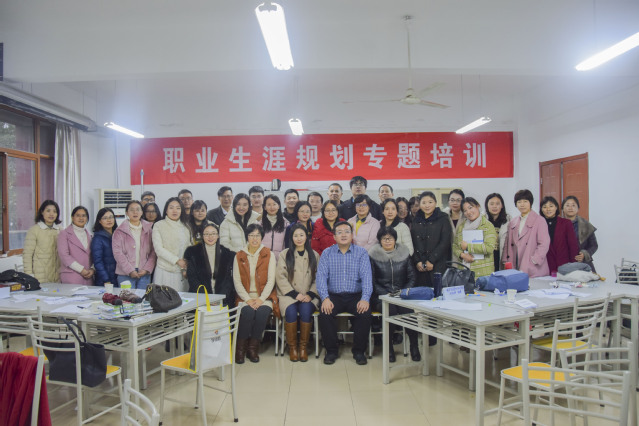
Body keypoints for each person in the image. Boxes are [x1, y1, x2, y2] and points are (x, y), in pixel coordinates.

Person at [316, 221, 372, 366]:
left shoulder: (361, 252)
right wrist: (325, 298)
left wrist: (365, 298)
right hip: (333, 296)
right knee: (325, 313)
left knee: (365, 313)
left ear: (352, 235)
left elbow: (367, 277)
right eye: (339, 232)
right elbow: (321, 277)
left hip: (355, 295)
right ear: (334, 236)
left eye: (347, 231)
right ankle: (331, 351)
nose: (343, 235)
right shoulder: (327, 253)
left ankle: (359, 351)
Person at [368, 227, 420, 362]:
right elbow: (372, 281)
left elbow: (412, 277)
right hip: (381, 297)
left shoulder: (404, 254)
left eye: (390, 238)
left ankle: (414, 346)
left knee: (408, 312)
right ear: (380, 241)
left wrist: (402, 293)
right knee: (390, 311)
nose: (387, 241)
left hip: (401, 295)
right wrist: (386, 295)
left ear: (395, 239)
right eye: (384, 238)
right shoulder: (373, 255)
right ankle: (389, 347)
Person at [233, 224, 278, 364]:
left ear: (262, 237)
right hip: (245, 297)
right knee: (247, 313)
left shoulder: (269, 254)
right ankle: (240, 349)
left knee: (262, 313)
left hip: (264, 297)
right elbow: (237, 281)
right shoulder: (239, 255)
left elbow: (271, 280)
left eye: (257, 235)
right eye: (251, 235)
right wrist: (248, 299)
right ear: (247, 237)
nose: (254, 238)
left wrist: (261, 299)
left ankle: (253, 349)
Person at [275, 223, 319, 362]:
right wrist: (295, 294)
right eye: (295, 236)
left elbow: (318, 278)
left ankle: (303, 347)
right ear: (291, 237)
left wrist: (310, 294)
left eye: (301, 235)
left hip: (308, 295)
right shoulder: (285, 254)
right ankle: (292, 347)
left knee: (306, 311)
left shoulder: (314, 255)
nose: (299, 238)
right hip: (289, 295)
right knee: (291, 312)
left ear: (306, 237)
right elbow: (280, 277)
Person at [502, 190, 550, 277]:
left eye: (525, 201)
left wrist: (535, 260)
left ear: (530, 203)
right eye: (519, 202)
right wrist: (506, 260)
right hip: (515, 264)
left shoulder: (539, 220)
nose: (522, 204)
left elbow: (544, 243)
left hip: (533, 267)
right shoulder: (513, 221)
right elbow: (507, 244)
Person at [184, 223, 235, 305]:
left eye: (213, 234)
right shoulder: (193, 252)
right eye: (207, 234)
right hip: (200, 297)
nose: (210, 237)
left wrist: (219, 298)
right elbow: (192, 278)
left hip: (222, 298)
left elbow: (228, 281)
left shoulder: (227, 254)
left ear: (218, 236)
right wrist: (207, 298)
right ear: (202, 236)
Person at [411, 191, 452, 286]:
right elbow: (413, 242)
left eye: (430, 202)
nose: (427, 205)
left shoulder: (443, 218)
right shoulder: (416, 219)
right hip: (420, 266)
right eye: (424, 203)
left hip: (438, 264)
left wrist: (431, 260)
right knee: (421, 292)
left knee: (438, 291)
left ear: (435, 203)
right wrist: (417, 261)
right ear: (420, 204)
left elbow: (445, 241)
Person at [112, 200, 156, 289]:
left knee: (143, 297)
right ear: (127, 213)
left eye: (138, 209)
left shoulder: (149, 230)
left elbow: (153, 252)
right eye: (132, 210)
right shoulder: (119, 231)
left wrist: (146, 269)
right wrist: (130, 270)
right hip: (125, 273)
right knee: (127, 297)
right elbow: (117, 253)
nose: (135, 212)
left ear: (142, 212)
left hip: (144, 273)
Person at [152, 197, 192, 291]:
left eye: (178, 208)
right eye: (171, 208)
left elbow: (189, 247)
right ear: (166, 210)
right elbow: (159, 249)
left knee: (183, 298)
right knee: (164, 297)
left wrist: (186, 264)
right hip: (164, 270)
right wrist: (177, 260)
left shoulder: (186, 226)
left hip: (182, 270)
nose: (175, 211)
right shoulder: (159, 225)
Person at [452, 197, 497, 278]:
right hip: (464, 272)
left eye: (470, 207)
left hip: (483, 274)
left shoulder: (487, 225)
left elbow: (489, 248)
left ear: (478, 206)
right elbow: (455, 246)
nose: (468, 212)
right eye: (465, 210)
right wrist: (462, 255)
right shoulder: (461, 227)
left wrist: (468, 247)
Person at [23, 200, 61, 283]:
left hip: (57, 277)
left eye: (54, 211)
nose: (51, 214)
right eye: (48, 211)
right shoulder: (34, 230)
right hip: (39, 277)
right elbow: (27, 255)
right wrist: (29, 275)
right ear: (42, 212)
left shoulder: (61, 230)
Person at [541, 196, 580, 274]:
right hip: (545, 266)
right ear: (541, 209)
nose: (548, 209)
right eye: (544, 207)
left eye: (551, 206)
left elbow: (573, 246)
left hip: (564, 266)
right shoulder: (539, 224)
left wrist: (574, 267)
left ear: (556, 207)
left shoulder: (566, 223)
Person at [57, 206, 94, 285]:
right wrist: (81, 270)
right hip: (71, 276)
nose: (81, 218)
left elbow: (94, 255)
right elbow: (64, 256)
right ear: (72, 217)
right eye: (78, 215)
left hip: (88, 277)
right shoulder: (64, 234)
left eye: (84, 215)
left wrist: (92, 269)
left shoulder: (90, 235)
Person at [562, 195, 598, 272]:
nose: (570, 208)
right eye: (567, 205)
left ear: (578, 208)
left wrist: (584, 254)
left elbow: (594, 245)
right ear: (563, 209)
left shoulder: (586, 225)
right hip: (563, 264)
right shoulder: (558, 225)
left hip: (583, 264)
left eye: (573, 205)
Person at [91, 207, 118, 286]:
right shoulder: (97, 239)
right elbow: (98, 262)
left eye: (111, 217)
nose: (109, 220)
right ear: (99, 221)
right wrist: (106, 279)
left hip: (118, 277)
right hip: (105, 280)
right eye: (105, 218)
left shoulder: (118, 234)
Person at [485, 193, 511, 271]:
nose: (494, 206)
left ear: (502, 205)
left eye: (497, 204)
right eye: (491, 204)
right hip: (487, 256)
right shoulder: (482, 220)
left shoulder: (509, 221)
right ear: (487, 205)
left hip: (502, 255)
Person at [261, 194, 289, 259]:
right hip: (263, 259)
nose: (272, 207)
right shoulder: (259, 224)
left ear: (278, 206)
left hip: (280, 260)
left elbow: (286, 244)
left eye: (274, 204)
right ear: (264, 207)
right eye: (269, 205)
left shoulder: (286, 224)